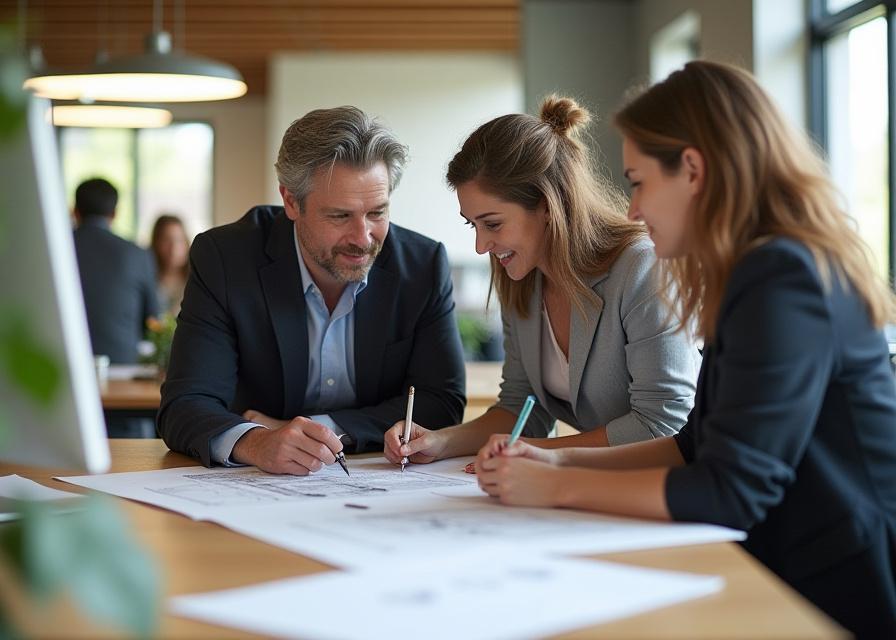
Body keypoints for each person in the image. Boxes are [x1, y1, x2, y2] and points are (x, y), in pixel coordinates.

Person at [474, 62, 896, 638]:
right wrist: (557, 458)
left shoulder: (784, 279)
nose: (633, 210)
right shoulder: (758, 271)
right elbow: (692, 445)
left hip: (838, 584)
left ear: (692, 170)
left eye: (639, 181)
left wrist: (558, 486)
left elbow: (730, 489)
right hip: (787, 561)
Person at [384, 96, 700, 467]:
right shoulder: (520, 278)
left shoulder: (642, 268)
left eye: (493, 224)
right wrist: (439, 441)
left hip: (671, 490)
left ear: (548, 206)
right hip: (597, 489)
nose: (481, 245)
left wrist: (542, 456)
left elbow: (662, 426)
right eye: (473, 225)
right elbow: (521, 410)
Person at [157, 106, 467, 475]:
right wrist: (257, 442)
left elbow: (441, 403)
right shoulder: (226, 259)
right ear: (290, 201)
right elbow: (185, 404)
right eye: (340, 216)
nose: (363, 238)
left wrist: (320, 430)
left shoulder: (422, 266)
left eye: (377, 212)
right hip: (255, 488)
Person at [72, 177, 159, 364]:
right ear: (114, 214)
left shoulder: (54, 251)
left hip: (64, 365)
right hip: (122, 367)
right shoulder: (137, 254)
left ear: (74, 211)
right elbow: (152, 320)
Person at [150, 214, 190, 317]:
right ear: (156, 242)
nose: (174, 248)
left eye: (179, 240)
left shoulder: (196, 279)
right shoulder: (148, 278)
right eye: (166, 240)